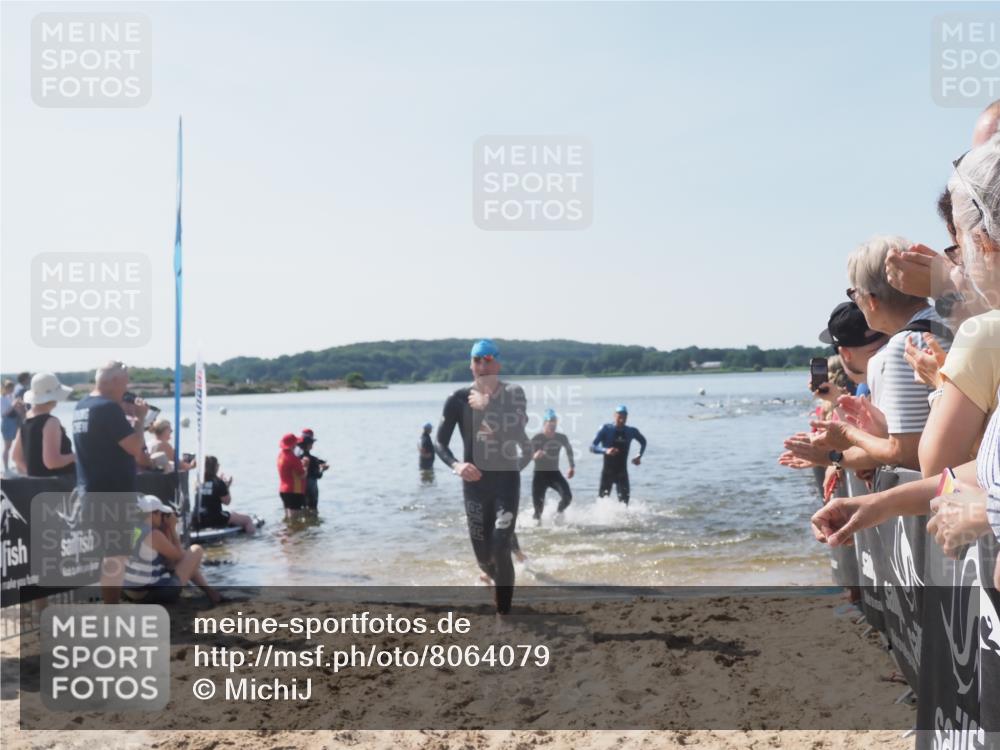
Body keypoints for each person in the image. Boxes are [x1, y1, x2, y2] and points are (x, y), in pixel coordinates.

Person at [434, 339, 532, 617]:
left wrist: (488, 405)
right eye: (477, 360)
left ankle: (504, 615)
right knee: (486, 559)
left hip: (505, 481)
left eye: (488, 359)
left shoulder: (513, 393)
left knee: (501, 543)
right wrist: (456, 464)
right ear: (471, 365)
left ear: (498, 364)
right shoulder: (456, 399)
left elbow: (518, 428)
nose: (483, 365)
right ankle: (495, 579)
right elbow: (440, 442)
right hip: (474, 486)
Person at [72, 361, 152, 604]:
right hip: (112, 491)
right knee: (116, 554)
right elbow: (135, 448)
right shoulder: (108, 408)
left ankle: (109, 608)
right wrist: (140, 420)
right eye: (126, 381)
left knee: (109, 553)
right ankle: (111, 611)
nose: (128, 386)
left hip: (90, 488)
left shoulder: (82, 405)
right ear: (115, 382)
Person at [123, 494, 221, 605]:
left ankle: (210, 592)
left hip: (129, 591)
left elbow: (170, 560)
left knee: (186, 557)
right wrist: (172, 528)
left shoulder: (135, 528)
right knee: (196, 550)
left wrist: (166, 529)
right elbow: (178, 556)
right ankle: (211, 593)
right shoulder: (153, 535)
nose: (162, 517)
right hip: (147, 595)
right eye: (160, 514)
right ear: (153, 514)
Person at [10, 372, 75, 477]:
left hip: (40, 489)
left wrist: (34, 476)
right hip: (59, 487)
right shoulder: (51, 422)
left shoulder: (26, 420)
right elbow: (52, 462)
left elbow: (16, 458)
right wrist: (76, 456)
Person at [591, 405, 646, 506]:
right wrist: (605, 450)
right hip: (607, 473)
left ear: (627, 417)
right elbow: (592, 447)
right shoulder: (606, 429)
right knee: (601, 503)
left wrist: (639, 455)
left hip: (622, 473)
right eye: (619, 415)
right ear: (614, 415)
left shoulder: (631, 431)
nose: (622, 418)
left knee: (624, 504)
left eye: (624, 416)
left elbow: (643, 442)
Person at [529, 408, 575, 523]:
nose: (552, 428)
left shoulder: (561, 437)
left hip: (554, 474)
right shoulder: (537, 438)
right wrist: (535, 455)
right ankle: (535, 528)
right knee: (538, 511)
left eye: (554, 425)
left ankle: (558, 515)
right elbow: (526, 455)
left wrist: (572, 467)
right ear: (545, 424)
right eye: (550, 425)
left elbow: (569, 450)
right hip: (539, 476)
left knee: (567, 497)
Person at [193, 455, 256, 534]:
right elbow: (227, 502)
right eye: (218, 465)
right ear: (215, 467)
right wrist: (227, 487)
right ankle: (252, 539)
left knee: (232, 514)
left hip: (197, 518)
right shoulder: (218, 483)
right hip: (214, 518)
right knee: (247, 520)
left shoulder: (197, 482)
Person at [297, 428, 328, 513]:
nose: (313, 445)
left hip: (299, 488)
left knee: (302, 511)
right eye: (312, 443)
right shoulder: (313, 460)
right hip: (311, 488)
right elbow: (318, 475)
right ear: (308, 445)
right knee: (313, 511)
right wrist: (323, 469)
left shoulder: (296, 458)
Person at [277, 432, 307, 519]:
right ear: (293, 445)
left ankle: (286, 532)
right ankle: (295, 532)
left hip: (283, 490)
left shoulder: (280, 455)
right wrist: (305, 466)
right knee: (295, 519)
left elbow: (289, 470)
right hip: (294, 491)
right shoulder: (293, 458)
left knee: (287, 517)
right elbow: (302, 475)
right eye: (296, 443)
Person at [2, 380, 19, 474]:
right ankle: (6, 468)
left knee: (15, 445)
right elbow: (4, 413)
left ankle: (14, 465)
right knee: (7, 446)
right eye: (10, 387)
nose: (12, 389)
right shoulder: (2, 398)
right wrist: (13, 405)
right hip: (7, 422)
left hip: (14, 421)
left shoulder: (10, 397)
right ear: (5, 388)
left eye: (12, 387)